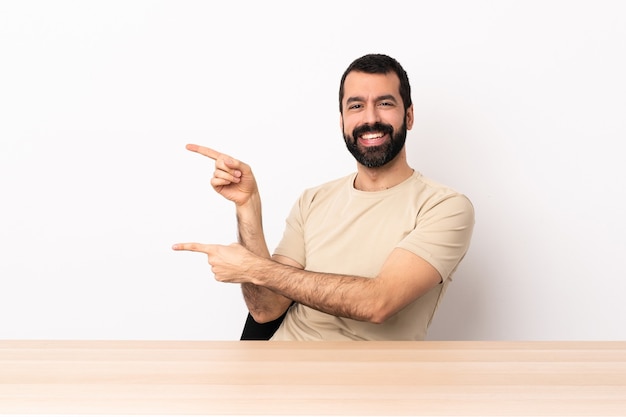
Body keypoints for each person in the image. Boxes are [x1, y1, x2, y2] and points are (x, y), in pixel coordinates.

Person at [172, 53, 475, 341]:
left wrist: (253, 267)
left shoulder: (445, 207)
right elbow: (266, 309)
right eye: (356, 106)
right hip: (274, 374)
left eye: (384, 103)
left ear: (408, 116)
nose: (370, 118)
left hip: (371, 386)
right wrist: (247, 205)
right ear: (342, 120)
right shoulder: (313, 200)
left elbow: (378, 302)